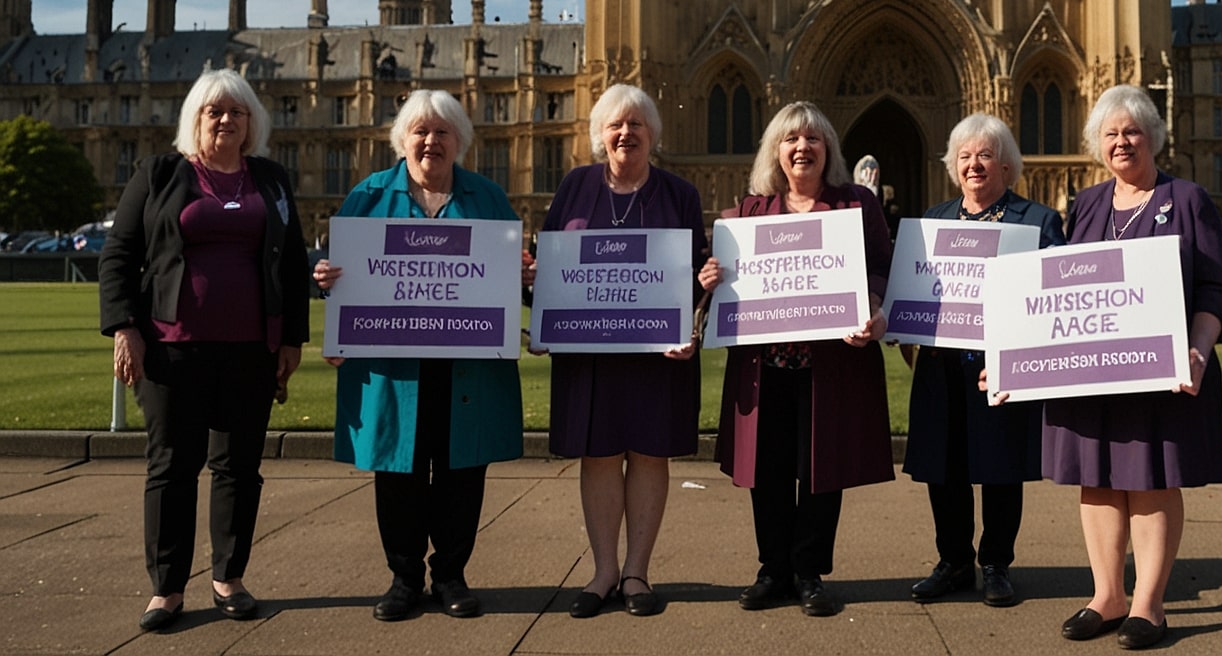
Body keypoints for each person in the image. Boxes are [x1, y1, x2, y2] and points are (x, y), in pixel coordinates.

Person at [99, 68, 310, 631]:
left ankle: (228, 578)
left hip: (251, 348)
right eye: (213, 111)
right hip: (171, 347)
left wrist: (292, 336)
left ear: (251, 123)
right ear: (195, 119)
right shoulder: (160, 173)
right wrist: (124, 327)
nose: (224, 120)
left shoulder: (270, 178)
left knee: (239, 467)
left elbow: (292, 261)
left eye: (235, 112)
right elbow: (119, 254)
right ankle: (166, 589)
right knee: (171, 466)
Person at [312, 90, 528, 622]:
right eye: (421, 131)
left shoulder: (486, 197)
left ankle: (451, 575)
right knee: (399, 469)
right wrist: (325, 282)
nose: (431, 141)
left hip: (467, 363)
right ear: (402, 139)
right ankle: (404, 577)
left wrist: (522, 275)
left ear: (460, 140)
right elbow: (342, 274)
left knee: (462, 469)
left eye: (443, 132)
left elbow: (508, 276)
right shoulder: (368, 194)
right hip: (394, 363)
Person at [1039, 85, 1222, 649]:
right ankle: (1107, 595)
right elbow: (1067, 290)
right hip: (1094, 372)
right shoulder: (1088, 203)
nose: (1122, 142)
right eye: (1111, 134)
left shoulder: (1187, 199)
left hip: (1162, 371)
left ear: (1154, 138)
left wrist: (1198, 350)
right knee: (1096, 480)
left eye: (1132, 131)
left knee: (1150, 481)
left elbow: (1215, 289)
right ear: (1098, 145)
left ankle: (1149, 602)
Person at [698, 101, 895, 617]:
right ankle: (773, 570)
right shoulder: (750, 212)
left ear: (827, 149)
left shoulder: (855, 205)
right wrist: (710, 279)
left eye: (812, 139)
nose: (801, 147)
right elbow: (722, 276)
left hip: (829, 365)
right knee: (767, 469)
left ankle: (808, 571)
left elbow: (882, 270)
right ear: (776, 151)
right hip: (767, 368)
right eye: (791, 140)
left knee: (820, 468)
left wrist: (874, 310)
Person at [528, 84, 706, 619]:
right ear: (599, 134)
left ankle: (637, 572)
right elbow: (551, 262)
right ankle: (604, 571)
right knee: (599, 453)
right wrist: (539, 303)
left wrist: (701, 297)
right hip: (591, 353)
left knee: (650, 452)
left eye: (636, 124)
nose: (625, 133)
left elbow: (695, 275)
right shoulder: (575, 187)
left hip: (657, 353)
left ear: (653, 134)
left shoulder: (679, 194)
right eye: (615, 125)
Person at [903, 113, 1064, 607]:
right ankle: (952, 561)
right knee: (942, 466)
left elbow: (1055, 292)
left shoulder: (1036, 221)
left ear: (1008, 167)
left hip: (1002, 365)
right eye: (965, 157)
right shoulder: (931, 222)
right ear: (954, 168)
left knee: (1000, 468)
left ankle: (996, 563)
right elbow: (912, 294)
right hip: (942, 366)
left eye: (985, 155)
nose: (974, 165)